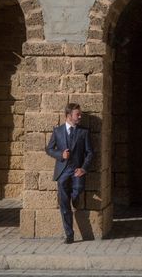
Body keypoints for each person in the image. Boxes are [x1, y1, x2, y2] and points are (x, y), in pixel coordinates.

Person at [45, 103, 94, 244]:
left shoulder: (84, 132)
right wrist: (60, 154)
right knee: (64, 205)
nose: (80, 116)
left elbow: (90, 152)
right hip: (62, 172)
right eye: (77, 114)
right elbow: (49, 149)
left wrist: (83, 168)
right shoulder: (57, 131)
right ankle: (69, 234)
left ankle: (75, 197)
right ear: (68, 116)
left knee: (78, 189)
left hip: (77, 169)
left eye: (80, 114)